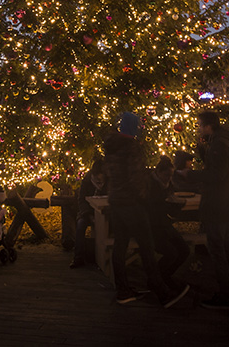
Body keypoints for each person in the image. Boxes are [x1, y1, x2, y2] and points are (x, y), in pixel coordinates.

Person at [103, 111, 189, 308]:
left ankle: (123, 290)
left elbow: (112, 174)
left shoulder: (111, 147)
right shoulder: (131, 148)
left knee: (120, 245)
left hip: (116, 201)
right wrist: (144, 196)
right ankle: (161, 291)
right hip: (132, 204)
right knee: (146, 246)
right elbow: (136, 178)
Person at [195, 108, 229, 309]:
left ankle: (225, 295)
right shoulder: (221, 142)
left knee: (218, 249)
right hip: (226, 202)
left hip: (216, 204)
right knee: (226, 246)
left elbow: (216, 175)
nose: (198, 129)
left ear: (208, 125)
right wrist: (203, 152)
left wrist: (190, 175)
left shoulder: (219, 145)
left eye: (199, 125)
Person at [146, 156, 190, 285]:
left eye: (171, 176)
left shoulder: (167, 184)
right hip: (153, 227)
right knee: (171, 253)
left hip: (164, 225)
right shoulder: (149, 184)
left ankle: (164, 276)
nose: (169, 179)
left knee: (184, 250)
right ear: (159, 172)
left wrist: (176, 205)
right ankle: (155, 279)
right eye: (166, 175)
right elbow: (153, 207)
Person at [70, 159, 107, 268]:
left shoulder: (109, 181)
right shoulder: (87, 181)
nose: (101, 180)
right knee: (81, 226)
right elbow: (81, 199)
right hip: (88, 212)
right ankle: (78, 257)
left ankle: (103, 256)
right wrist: (87, 214)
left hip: (104, 212)